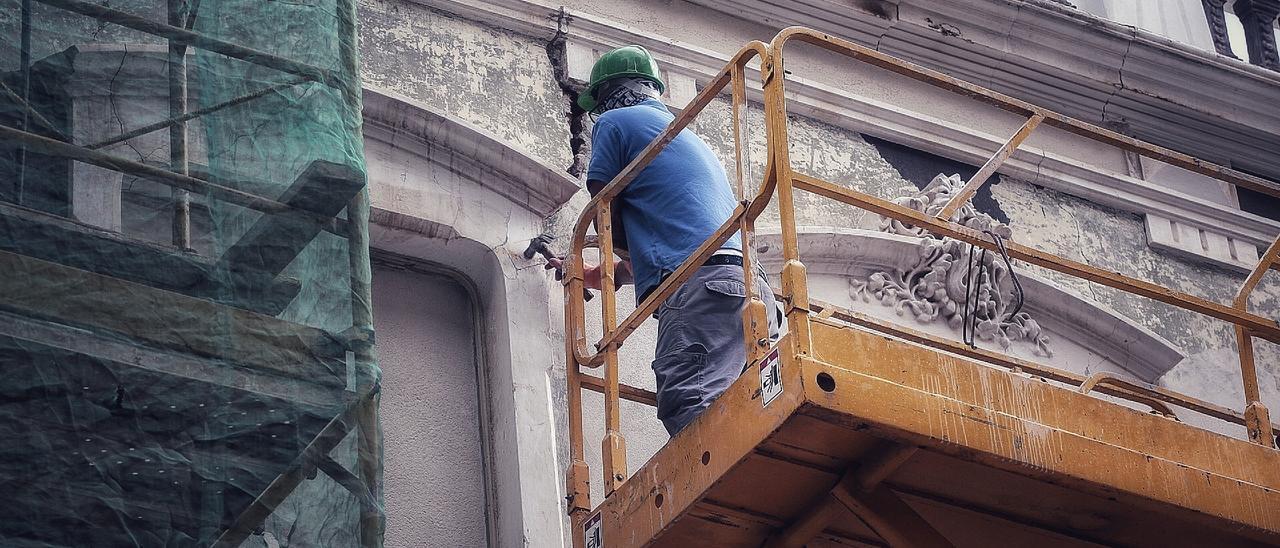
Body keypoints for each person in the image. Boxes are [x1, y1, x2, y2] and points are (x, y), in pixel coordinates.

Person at [566, 45, 783, 436]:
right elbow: (681, 239)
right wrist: (611, 274)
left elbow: (603, 205)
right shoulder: (681, 135)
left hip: (703, 291)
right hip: (752, 290)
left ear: (610, 93)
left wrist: (597, 248)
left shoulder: (615, 121)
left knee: (689, 400)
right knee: (751, 410)